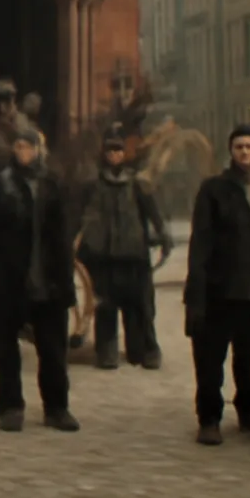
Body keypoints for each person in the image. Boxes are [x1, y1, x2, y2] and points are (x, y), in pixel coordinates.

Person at [0, 126, 80, 433]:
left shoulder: (51, 184)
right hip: (10, 282)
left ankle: (57, 407)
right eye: (19, 146)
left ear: (38, 150)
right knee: (6, 349)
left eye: (29, 147)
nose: (24, 152)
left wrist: (66, 280)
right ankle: (9, 407)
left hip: (47, 279)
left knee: (53, 350)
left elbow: (62, 238)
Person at [184, 124, 250, 446]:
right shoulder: (214, 190)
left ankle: (249, 413)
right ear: (231, 151)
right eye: (239, 147)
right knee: (211, 357)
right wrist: (197, 290)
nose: (244, 152)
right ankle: (209, 419)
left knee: (247, 355)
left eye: (249, 147)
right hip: (218, 288)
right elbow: (200, 243)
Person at [77, 126, 173, 370]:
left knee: (140, 305)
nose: (114, 155)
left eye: (118, 151)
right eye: (110, 151)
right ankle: (107, 350)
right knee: (105, 306)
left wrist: (163, 235)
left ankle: (145, 349)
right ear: (104, 154)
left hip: (134, 255)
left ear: (124, 154)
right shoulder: (92, 185)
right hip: (103, 255)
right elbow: (79, 217)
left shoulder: (138, 184)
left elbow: (154, 213)